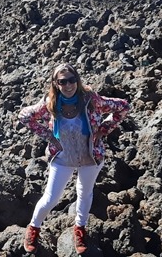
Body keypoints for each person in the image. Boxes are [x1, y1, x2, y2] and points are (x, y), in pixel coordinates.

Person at [18, 63, 130, 254]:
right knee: (51, 198)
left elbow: (123, 107)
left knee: (84, 193)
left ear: (77, 80)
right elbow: (25, 116)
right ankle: (34, 228)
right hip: (62, 157)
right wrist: (48, 136)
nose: (68, 85)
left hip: (91, 156)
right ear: (56, 83)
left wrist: (104, 129)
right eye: (63, 81)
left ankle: (80, 229)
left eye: (72, 80)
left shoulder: (90, 99)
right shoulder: (50, 103)